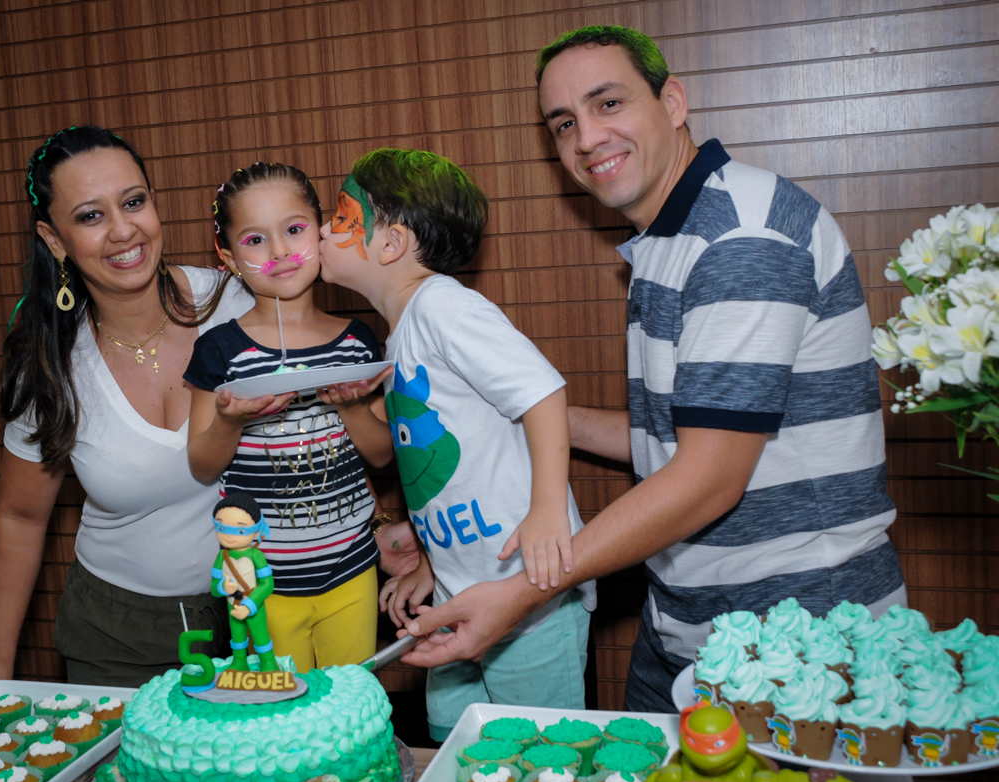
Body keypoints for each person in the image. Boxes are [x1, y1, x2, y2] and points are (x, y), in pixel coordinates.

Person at [395, 26, 906, 714]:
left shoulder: (740, 237)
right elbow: (672, 430)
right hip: (687, 621)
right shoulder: (670, 235)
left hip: (798, 634)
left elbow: (707, 477)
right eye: (564, 123)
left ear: (673, 101)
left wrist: (522, 592)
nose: (586, 138)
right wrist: (519, 415)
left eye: (609, 104)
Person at [319, 148, 596, 740]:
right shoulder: (402, 335)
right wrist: (426, 556)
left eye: (340, 217)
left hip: (530, 596)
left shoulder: (443, 306)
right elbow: (408, 459)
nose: (322, 230)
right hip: (456, 593)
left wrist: (548, 507)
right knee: (455, 740)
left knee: (537, 750)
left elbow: (543, 393)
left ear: (390, 243)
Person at [0, 126, 254, 687]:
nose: (124, 230)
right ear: (54, 240)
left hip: (265, 616)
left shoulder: (241, 303)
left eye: (134, 202)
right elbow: (20, 517)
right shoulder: (52, 362)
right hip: (120, 641)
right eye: (89, 216)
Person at [184, 162, 393, 673]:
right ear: (229, 257)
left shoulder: (358, 341)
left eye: (295, 230)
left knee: (351, 711)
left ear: (321, 235)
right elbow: (202, 466)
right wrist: (231, 421)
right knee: (282, 720)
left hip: (352, 572)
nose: (279, 252)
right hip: (262, 582)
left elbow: (384, 454)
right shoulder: (219, 351)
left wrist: (347, 404)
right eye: (255, 240)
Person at [210, 491, 279, 672]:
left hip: (253, 605)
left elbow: (267, 584)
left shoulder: (256, 555)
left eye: (240, 530)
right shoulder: (221, 556)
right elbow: (214, 590)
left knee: (260, 635)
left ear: (256, 530)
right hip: (232, 604)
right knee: (237, 637)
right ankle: (240, 662)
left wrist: (249, 606)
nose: (228, 536)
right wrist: (222, 587)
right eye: (221, 527)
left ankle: (268, 663)